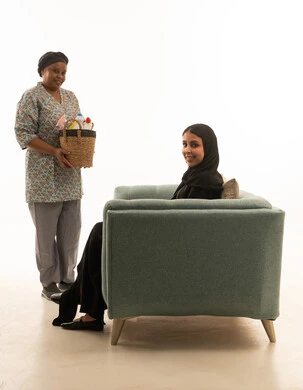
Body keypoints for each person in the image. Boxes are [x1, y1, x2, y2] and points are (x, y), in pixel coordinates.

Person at [51, 123, 223, 331]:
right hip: (170, 240)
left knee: (100, 233)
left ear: (209, 148)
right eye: (185, 144)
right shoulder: (197, 175)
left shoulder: (205, 182)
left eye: (194, 145)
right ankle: (84, 304)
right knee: (100, 232)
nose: (187, 150)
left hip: (172, 250)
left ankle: (84, 305)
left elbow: (185, 224)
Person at [15, 51, 83, 300]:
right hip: (43, 174)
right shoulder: (31, 97)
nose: (60, 76)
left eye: (63, 71)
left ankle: (68, 279)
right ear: (42, 70)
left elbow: (77, 127)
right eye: (55, 70)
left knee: (71, 230)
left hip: (69, 171)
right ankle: (49, 283)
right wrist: (54, 150)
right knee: (45, 233)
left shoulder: (71, 97)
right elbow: (24, 134)